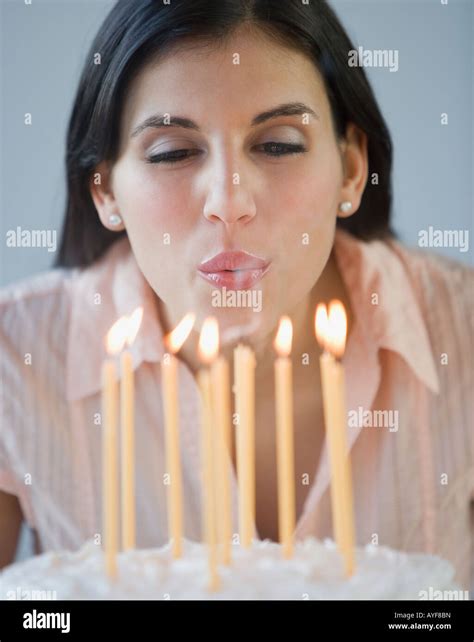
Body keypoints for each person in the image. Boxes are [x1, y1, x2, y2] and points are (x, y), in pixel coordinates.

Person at [0, 0, 472, 592]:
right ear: (105, 191)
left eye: (278, 145)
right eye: (172, 152)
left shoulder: (464, 332)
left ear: (352, 169)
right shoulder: (13, 356)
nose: (229, 200)